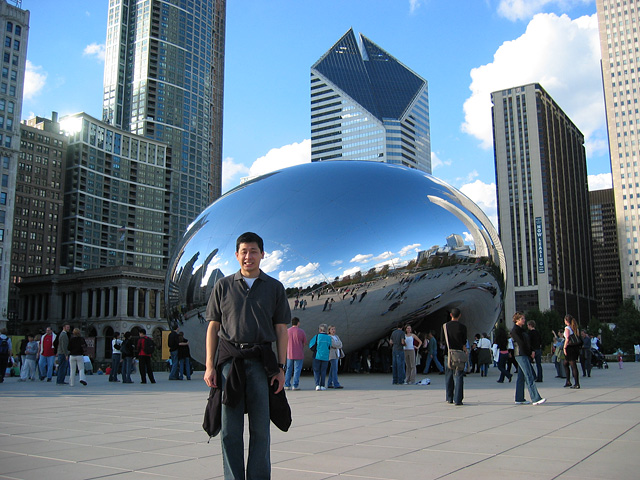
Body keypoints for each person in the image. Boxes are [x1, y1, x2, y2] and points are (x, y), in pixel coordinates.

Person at [204, 232, 290, 480]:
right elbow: (213, 327)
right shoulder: (224, 286)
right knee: (230, 430)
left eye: (253, 251)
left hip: (262, 364)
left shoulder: (274, 287)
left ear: (262, 254)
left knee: (261, 429)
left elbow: (281, 329)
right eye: (244, 251)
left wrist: (281, 367)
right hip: (230, 363)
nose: (248, 256)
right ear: (236, 255)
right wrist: (210, 366)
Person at [510, 313, 545, 405]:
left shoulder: (522, 330)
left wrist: (532, 350)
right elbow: (521, 343)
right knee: (529, 375)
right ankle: (535, 398)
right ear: (517, 320)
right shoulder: (515, 330)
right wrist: (529, 352)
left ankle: (519, 398)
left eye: (524, 318)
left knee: (521, 377)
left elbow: (528, 342)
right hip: (521, 354)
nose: (524, 320)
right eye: (522, 318)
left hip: (525, 353)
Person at [443, 308, 467, 406]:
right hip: (459, 354)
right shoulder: (463, 327)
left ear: (450, 315)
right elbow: (464, 342)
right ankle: (458, 399)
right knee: (459, 375)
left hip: (448, 353)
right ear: (460, 315)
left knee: (449, 375)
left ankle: (449, 397)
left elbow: (442, 340)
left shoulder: (445, 326)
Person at [285, 317, 306, 391]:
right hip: (299, 353)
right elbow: (304, 342)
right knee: (297, 370)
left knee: (288, 369)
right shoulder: (301, 331)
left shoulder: (287, 331)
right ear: (298, 323)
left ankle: (287, 385)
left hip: (290, 353)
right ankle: (295, 385)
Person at [309, 323, 332, 390]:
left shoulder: (317, 336)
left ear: (320, 329)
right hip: (325, 356)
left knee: (316, 370)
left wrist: (315, 350)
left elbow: (311, 345)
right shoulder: (328, 337)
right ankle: (322, 385)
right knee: (323, 371)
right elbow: (330, 346)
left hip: (317, 356)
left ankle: (317, 384)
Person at [563, 314, 581, 389]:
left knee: (573, 365)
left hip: (570, 348)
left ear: (566, 321)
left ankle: (576, 383)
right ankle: (568, 381)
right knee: (566, 363)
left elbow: (567, 338)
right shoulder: (575, 328)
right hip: (575, 347)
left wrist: (564, 347)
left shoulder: (567, 328)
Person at [327, 325, 344, 389]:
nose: (333, 331)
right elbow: (333, 344)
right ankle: (336, 384)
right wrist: (338, 345)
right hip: (332, 355)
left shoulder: (336, 336)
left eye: (334, 329)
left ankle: (329, 383)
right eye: (332, 329)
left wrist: (337, 345)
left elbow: (341, 344)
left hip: (337, 354)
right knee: (335, 369)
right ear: (329, 330)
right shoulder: (329, 337)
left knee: (332, 369)